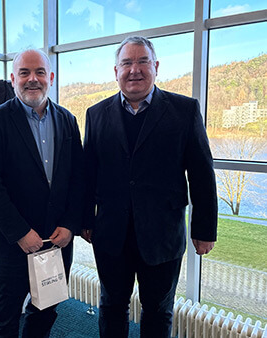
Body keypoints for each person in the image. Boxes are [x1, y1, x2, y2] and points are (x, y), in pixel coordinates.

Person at [82, 36, 218, 337]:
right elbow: (88, 173)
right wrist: (85, 220)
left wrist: (204, 230)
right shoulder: (96, 114)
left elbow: (202, 174)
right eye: (126, 63)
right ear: (115, 70)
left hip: (162, 235)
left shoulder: (185, 111)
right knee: (111, 305)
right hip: (110, 234)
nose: (135, 70)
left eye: (142, 61)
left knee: (158, 310)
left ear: (155, 67)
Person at [0, 49, 84, 338]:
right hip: (14, 243)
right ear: (13, 79)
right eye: (24, 73)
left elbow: (78, 179)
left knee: (45, 312)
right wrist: (20, 232)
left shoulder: (67, 120)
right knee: (2, 318)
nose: (32, 79)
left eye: (39, 72)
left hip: (57, 241)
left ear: (50, 77)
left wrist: (71, 225)